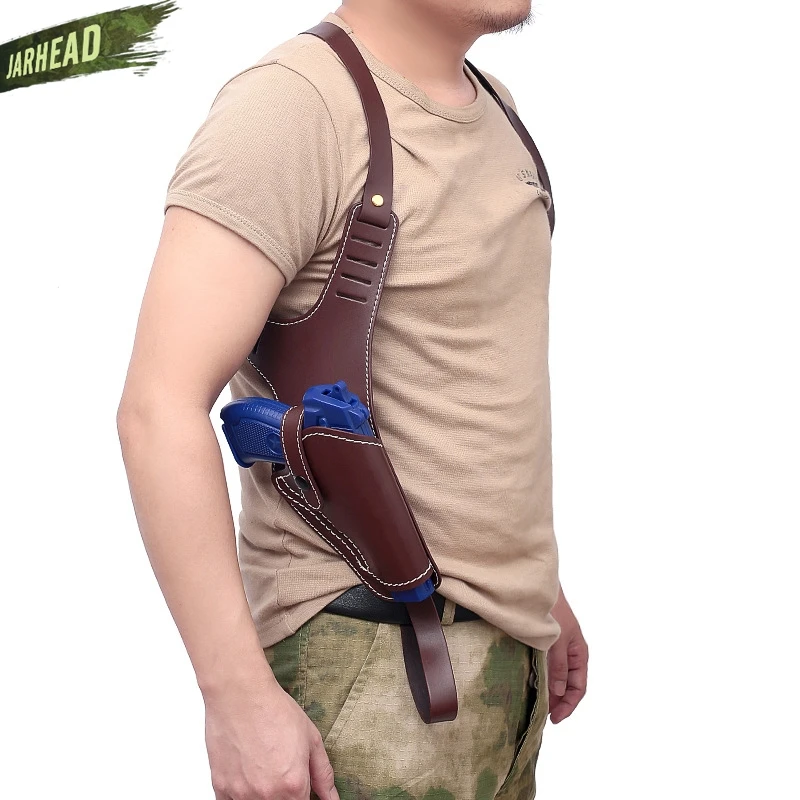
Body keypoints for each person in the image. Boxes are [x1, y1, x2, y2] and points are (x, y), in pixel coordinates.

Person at [116, 2, 589, 798]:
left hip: (502, 659)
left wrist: (533, 593)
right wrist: (235, 696)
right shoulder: (293, 106)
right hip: (368, 659)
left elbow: (464, 389)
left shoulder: (499, 113)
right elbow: (157, 408)